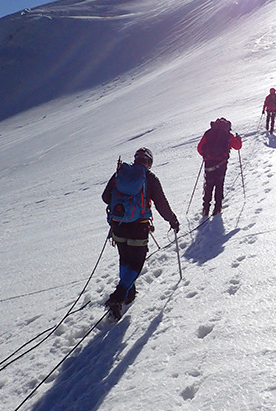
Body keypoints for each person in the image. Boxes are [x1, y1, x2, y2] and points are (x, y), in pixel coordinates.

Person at [102, 147, 179, 318]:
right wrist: (172, 220)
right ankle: (120, 294)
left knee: (125, 259)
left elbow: (106, 197)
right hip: (139, 227)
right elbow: (161, 204)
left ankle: (129, 294)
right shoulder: (150, 178)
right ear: (149, 162)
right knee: (136, 264)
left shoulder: (120, 173)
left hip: (118, 225)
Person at [197, 118, 242, 216]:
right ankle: (217, 208)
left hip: (209, 163)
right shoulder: (228, 135)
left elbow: (199, 148)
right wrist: (238, 139)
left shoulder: (208, 133)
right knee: (219, 184)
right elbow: (237, 146)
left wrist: (206, 156)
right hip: (222, 164)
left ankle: (206, 208)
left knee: (208, 185)